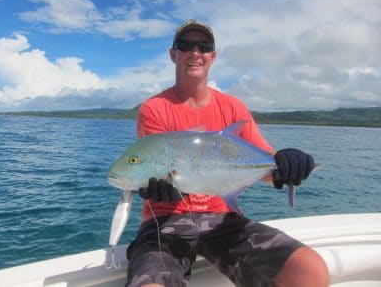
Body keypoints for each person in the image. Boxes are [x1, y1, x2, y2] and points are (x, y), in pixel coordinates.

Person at [126, 19, 329, 287]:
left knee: (309, 270)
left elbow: (267, 165)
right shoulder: (155, 108)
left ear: (213, 56)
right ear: (173, 54)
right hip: (166, 220)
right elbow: (154, 161)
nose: (195, 52)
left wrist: (285, 165)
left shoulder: (233, 107)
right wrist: (152, 186)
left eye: (204, 46)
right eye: (186, 45)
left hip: (223, 219)